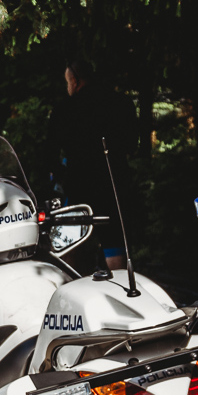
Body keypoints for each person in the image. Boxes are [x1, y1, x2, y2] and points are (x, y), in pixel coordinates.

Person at [43, 58, 136, 269]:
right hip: (113, 181)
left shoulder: (64, 109)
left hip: (77, 184)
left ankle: (72, 291)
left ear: (74, 81)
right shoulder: (121, 103)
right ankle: (121, 292)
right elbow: (132, 145)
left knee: (69, 243)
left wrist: (60, 175)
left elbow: (49, 155)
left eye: (67, 82)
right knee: (114, 243)